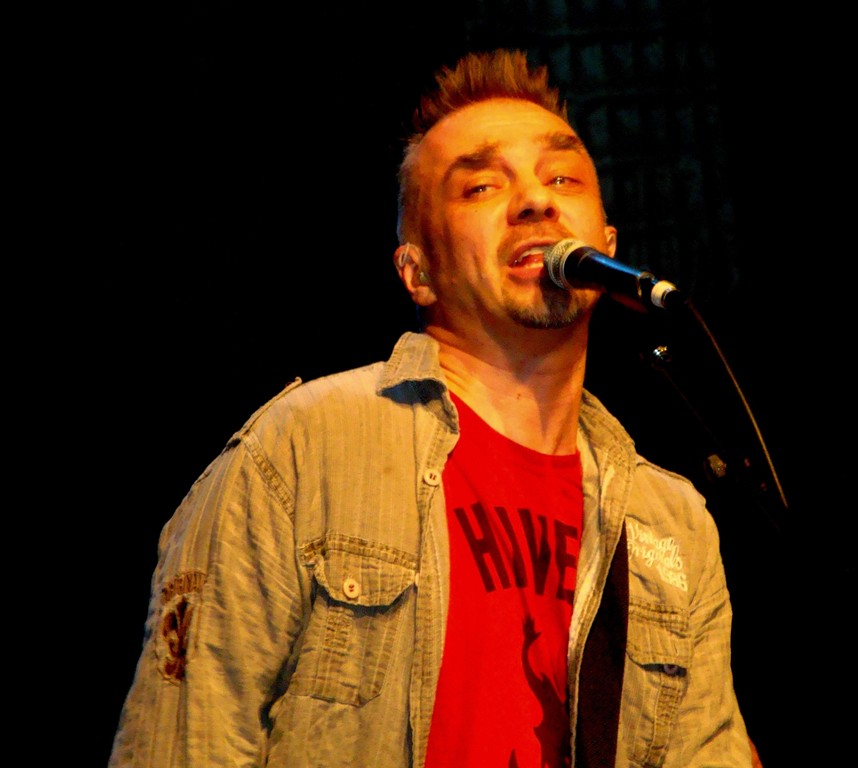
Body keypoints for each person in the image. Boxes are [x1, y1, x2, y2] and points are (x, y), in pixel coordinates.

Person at [109, 48, 762, 767]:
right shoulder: (305, 450)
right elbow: (186, 741)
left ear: (606, 245)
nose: (537, 201)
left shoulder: (668, 522)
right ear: (416, 270)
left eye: (562, 177)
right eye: (481, 186)